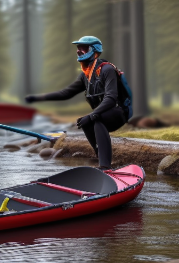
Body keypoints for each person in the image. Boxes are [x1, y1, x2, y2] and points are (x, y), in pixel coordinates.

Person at [25, 36, 127, 170]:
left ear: (95, 51)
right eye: (78, 49)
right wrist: (38, 98)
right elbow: (65, 93)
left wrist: (92, 115)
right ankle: (102, 158)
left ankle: (105, 167)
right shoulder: (86, 75)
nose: (79, 51)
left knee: (95, 120)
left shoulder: (107, 70)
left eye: (84, 48)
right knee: (84, 122)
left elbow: (111, 98)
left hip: (120, 112)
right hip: (104, 113)